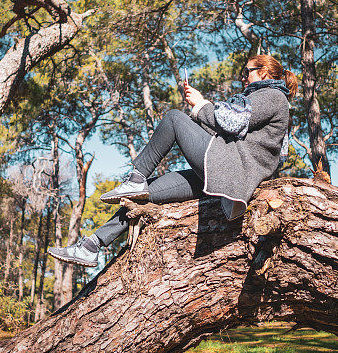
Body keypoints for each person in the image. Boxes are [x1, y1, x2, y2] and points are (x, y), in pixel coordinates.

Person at [47, 54, 297, 267]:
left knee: (174, 119)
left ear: (264, 73)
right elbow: (228, 130)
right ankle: (92, 246)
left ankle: (135, 176)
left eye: (246, 72)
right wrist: (199, 110)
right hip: (224, 172)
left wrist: (201, 105)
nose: (242, 78)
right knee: (145, 192)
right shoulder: (265, 99)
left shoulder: (272, 95)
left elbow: (229, 121)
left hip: (230, 170)